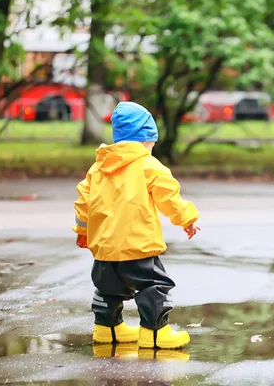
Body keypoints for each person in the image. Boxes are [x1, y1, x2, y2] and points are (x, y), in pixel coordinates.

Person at [72, 101, 200, 349]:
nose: (151, 149)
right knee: (153, 286)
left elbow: (83, 203)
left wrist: (82, 232)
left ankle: (107, 329)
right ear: (144, 140)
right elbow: (169, 197)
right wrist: (188, 219)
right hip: (138, 247)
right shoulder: (148, 165)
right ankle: (154, 333)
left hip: (105, 250)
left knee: (107, 289)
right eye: (151, 144)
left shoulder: (98, 167)